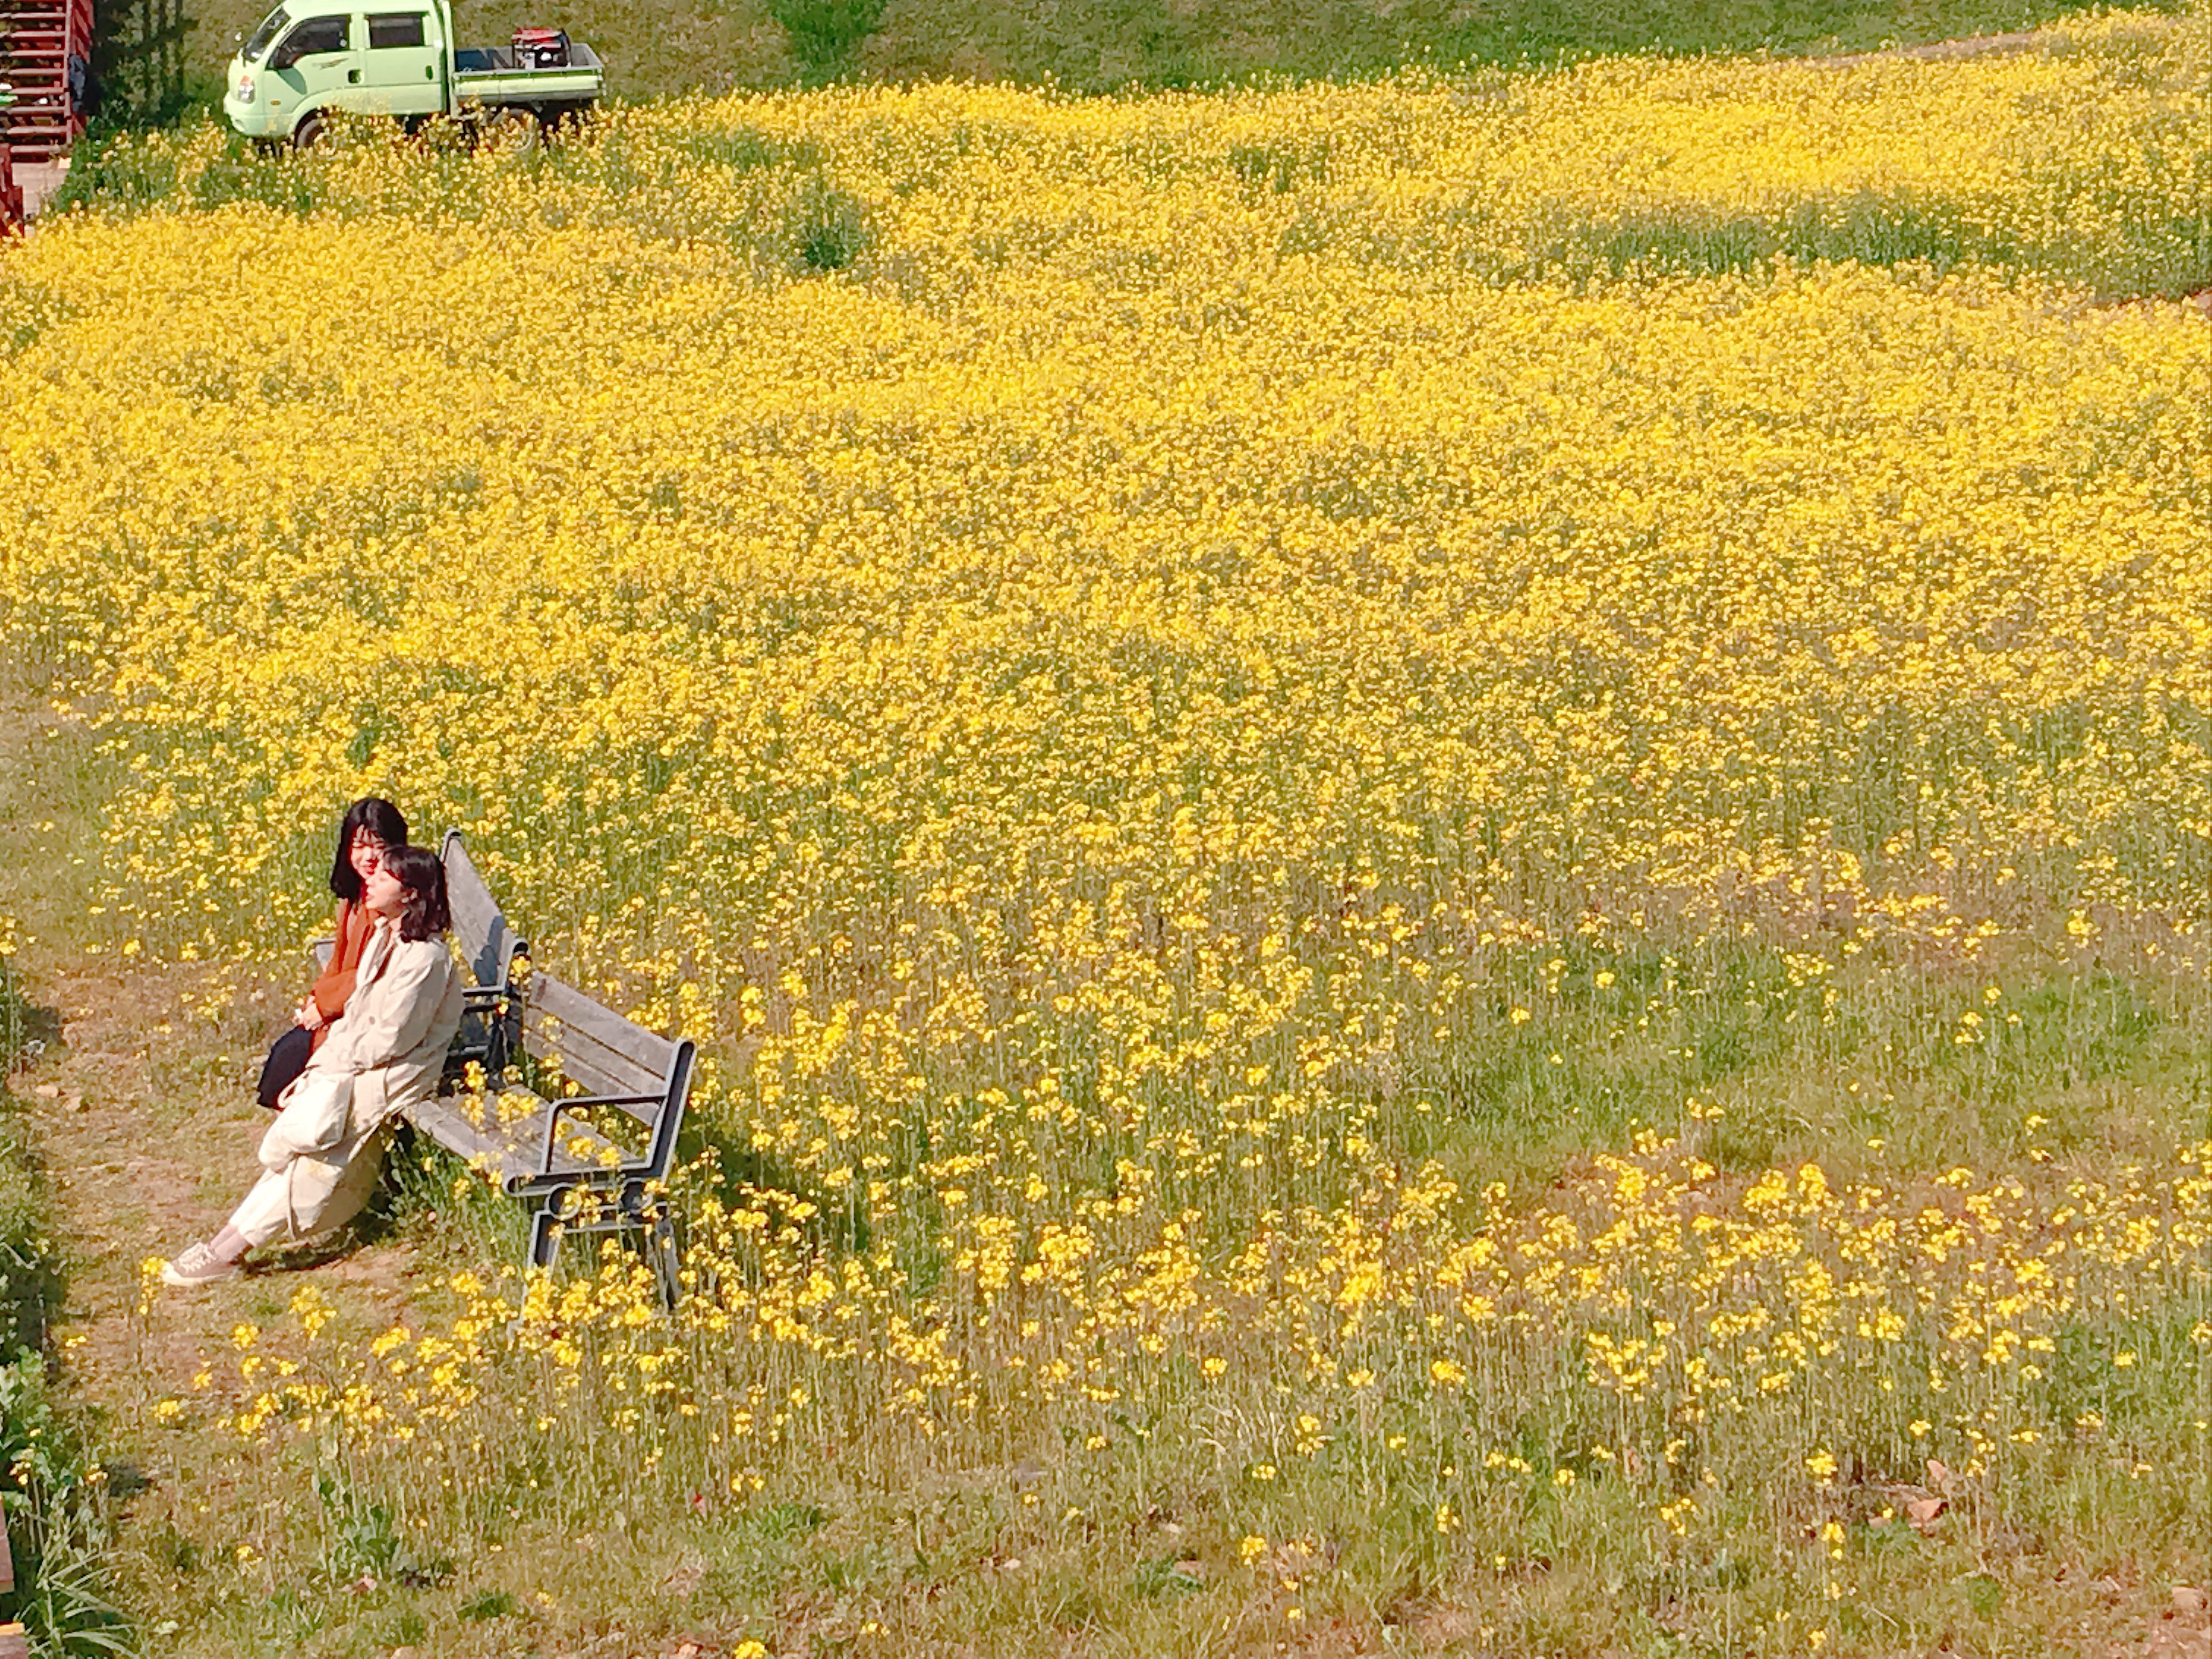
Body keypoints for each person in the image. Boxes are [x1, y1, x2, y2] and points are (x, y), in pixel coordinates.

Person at [165, 844, 463, 1286]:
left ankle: (228, 1252)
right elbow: (360, 1015)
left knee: (315, 1160)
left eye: (384, 877)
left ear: (411, 894)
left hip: (393, 1076)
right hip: (356, 1066)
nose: (371, 881)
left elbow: (392, 1040)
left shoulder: (425, 959)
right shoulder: (388, 938)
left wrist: (333, 1066)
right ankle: (224, 1243)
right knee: (295, 1147)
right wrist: (324, 1064)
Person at [254, 798, 410, 1111]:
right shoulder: (355, 896)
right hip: (343, 1003)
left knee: (291, 1066)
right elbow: (339, 960)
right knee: (282, 1064)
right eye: (358, 847)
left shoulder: (389, 904)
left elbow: (374, 970)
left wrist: (325, 1008)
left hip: (366, 1009)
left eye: (378, 846)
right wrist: (316, 998)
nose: (368, 857)